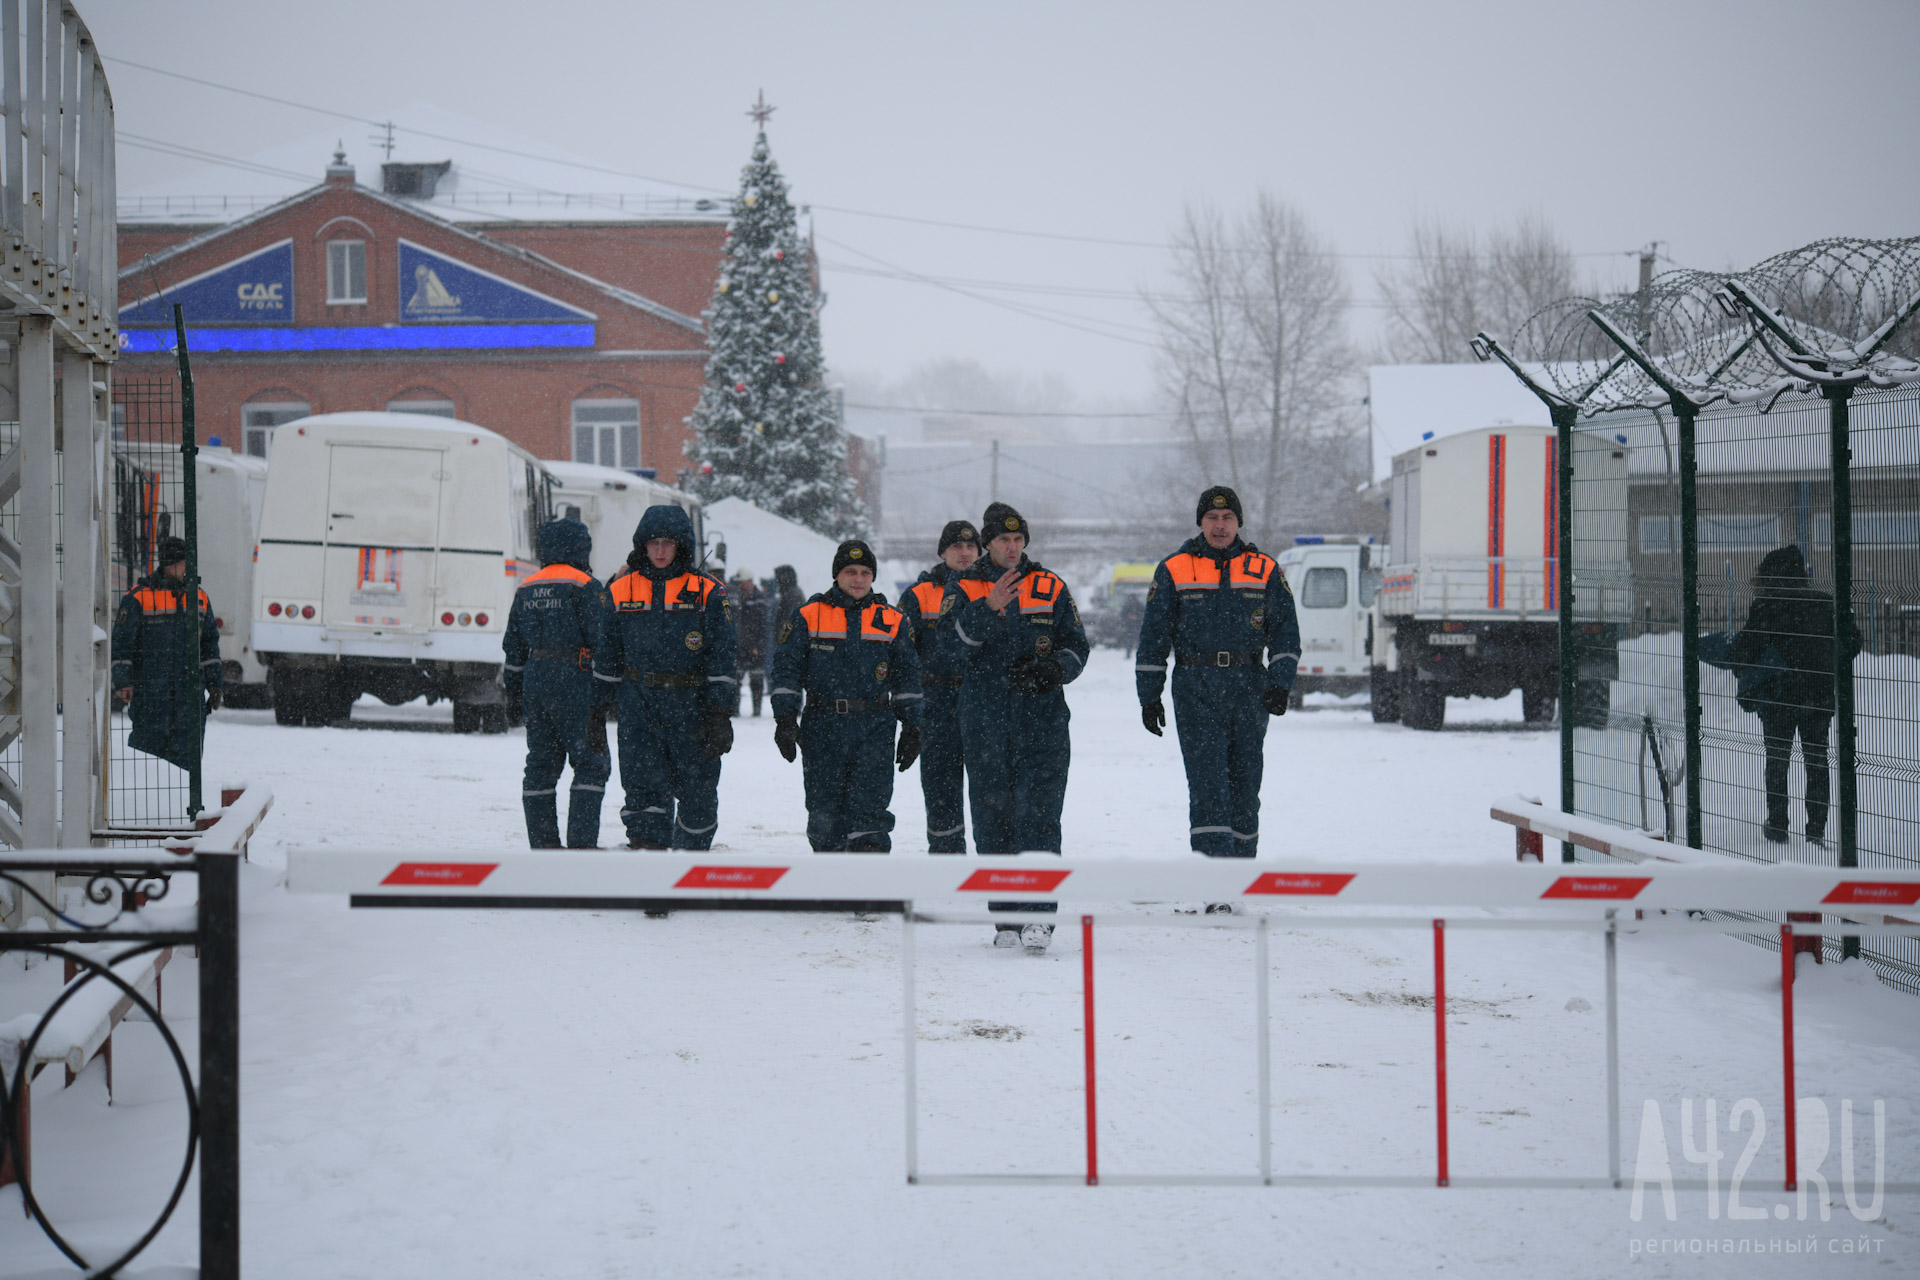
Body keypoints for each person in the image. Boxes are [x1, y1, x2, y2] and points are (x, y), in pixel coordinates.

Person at [1134, 486, 1300, 885]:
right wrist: (1149, 695)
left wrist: (1280, 683)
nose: (1220, 525)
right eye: (1212, 518)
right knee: (1208, 785)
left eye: (1227, 518)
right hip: (1196, 686)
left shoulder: (1265, 569)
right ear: (1201, 523)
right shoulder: (1174, 569)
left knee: (1245, 786)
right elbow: (1154, 636)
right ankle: (1214, 885)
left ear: (1239, 522)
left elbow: (1286, 635)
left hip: (1249, 686)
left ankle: (1240, 877)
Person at [947, 502, 1089, 952]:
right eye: (1003, 540)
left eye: (1018, 539)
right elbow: (948, 650)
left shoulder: (1050, 586)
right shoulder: (963, 586)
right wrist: (987, 608)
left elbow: (1077, 646)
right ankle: (1006, 917)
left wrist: (1054, 669)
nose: (1012, 547)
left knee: (1040, 818)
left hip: (1042, 725)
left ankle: (1040, 917)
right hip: (985, 723)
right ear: (987, 544)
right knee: (993, 822)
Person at [770, 540, 924, 851]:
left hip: (874, 727)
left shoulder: (893, 620)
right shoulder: (807, 615)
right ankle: (833, 891)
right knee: (825, 815)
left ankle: (867, 892)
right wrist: (785, 718)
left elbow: (908, 677)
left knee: (870, 814)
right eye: (850, 571)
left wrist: (913, 726)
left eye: (866, 572)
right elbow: (786, 670)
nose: (858, 578)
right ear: (836, 574)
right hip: (822, 726)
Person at [598, 505, 737, 850]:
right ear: (643, 545)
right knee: (644, 794)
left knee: (698, 796)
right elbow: (607, 653)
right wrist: (595, 708)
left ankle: (689, 872)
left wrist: (720, 713)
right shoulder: (620, 590)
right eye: (654, 542)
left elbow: (723, 657)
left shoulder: (708, 592)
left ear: (682, 546)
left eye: (668, 543)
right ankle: (654, 882)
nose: (660, 551)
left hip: (692, 708)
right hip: (639, 705)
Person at [1728, 544, 1858, 846]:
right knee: (1816, 760)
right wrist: (1827, 662)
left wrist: (1738, 662)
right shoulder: (1826, 604)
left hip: (1779, 698)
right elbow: (1853, 641)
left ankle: (1777, 825)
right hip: (1819, 695)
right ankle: (1816, 831)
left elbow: (1745, 648)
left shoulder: (1767, 605)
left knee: (1777, 760)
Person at [501, 518, 615, 849]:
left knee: (540, 765)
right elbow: (601, 641)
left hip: (534, 679)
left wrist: (514, 691)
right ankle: (581, 847)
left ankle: (543, 846)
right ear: (582, 547)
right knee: (591, 763)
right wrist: (607, 690)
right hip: (575, 681)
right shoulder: (586, 585)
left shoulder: (527, 586)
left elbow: (513, 645)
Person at [898, 519, 980, 852]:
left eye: (971, 546)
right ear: (942, 552)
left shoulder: (994, 588)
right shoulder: (918, 596)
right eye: (956, 547)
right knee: (940, 783)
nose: (964, 553)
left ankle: (992, 860)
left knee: (989, 786)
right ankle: (946, 855)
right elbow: (902, 654)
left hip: (980, 701)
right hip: (935, 702)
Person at [111, 535, 221, 771]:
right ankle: (143, 808)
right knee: (146, 765)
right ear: (171, 564)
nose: (190, 569)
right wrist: (122, 681)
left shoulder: (199, 598)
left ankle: (186, 808)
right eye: (185, 564)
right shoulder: (139, 598)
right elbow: (122, 643)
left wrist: (215, 684)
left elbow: (210, 645)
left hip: (189, 698)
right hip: (150, 696)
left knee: (187, 765)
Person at [730, 568, 772, 717]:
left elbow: (764, 626)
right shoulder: (735, 598)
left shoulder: (760, 598)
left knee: (756, 680)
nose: (740, 585)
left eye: (742, 582)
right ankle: (734, 710)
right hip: (739, 646)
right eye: (739, 583)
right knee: (736, 680)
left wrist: (758, 646)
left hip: (754, 647)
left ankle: (757, 711)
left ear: (749, 582)